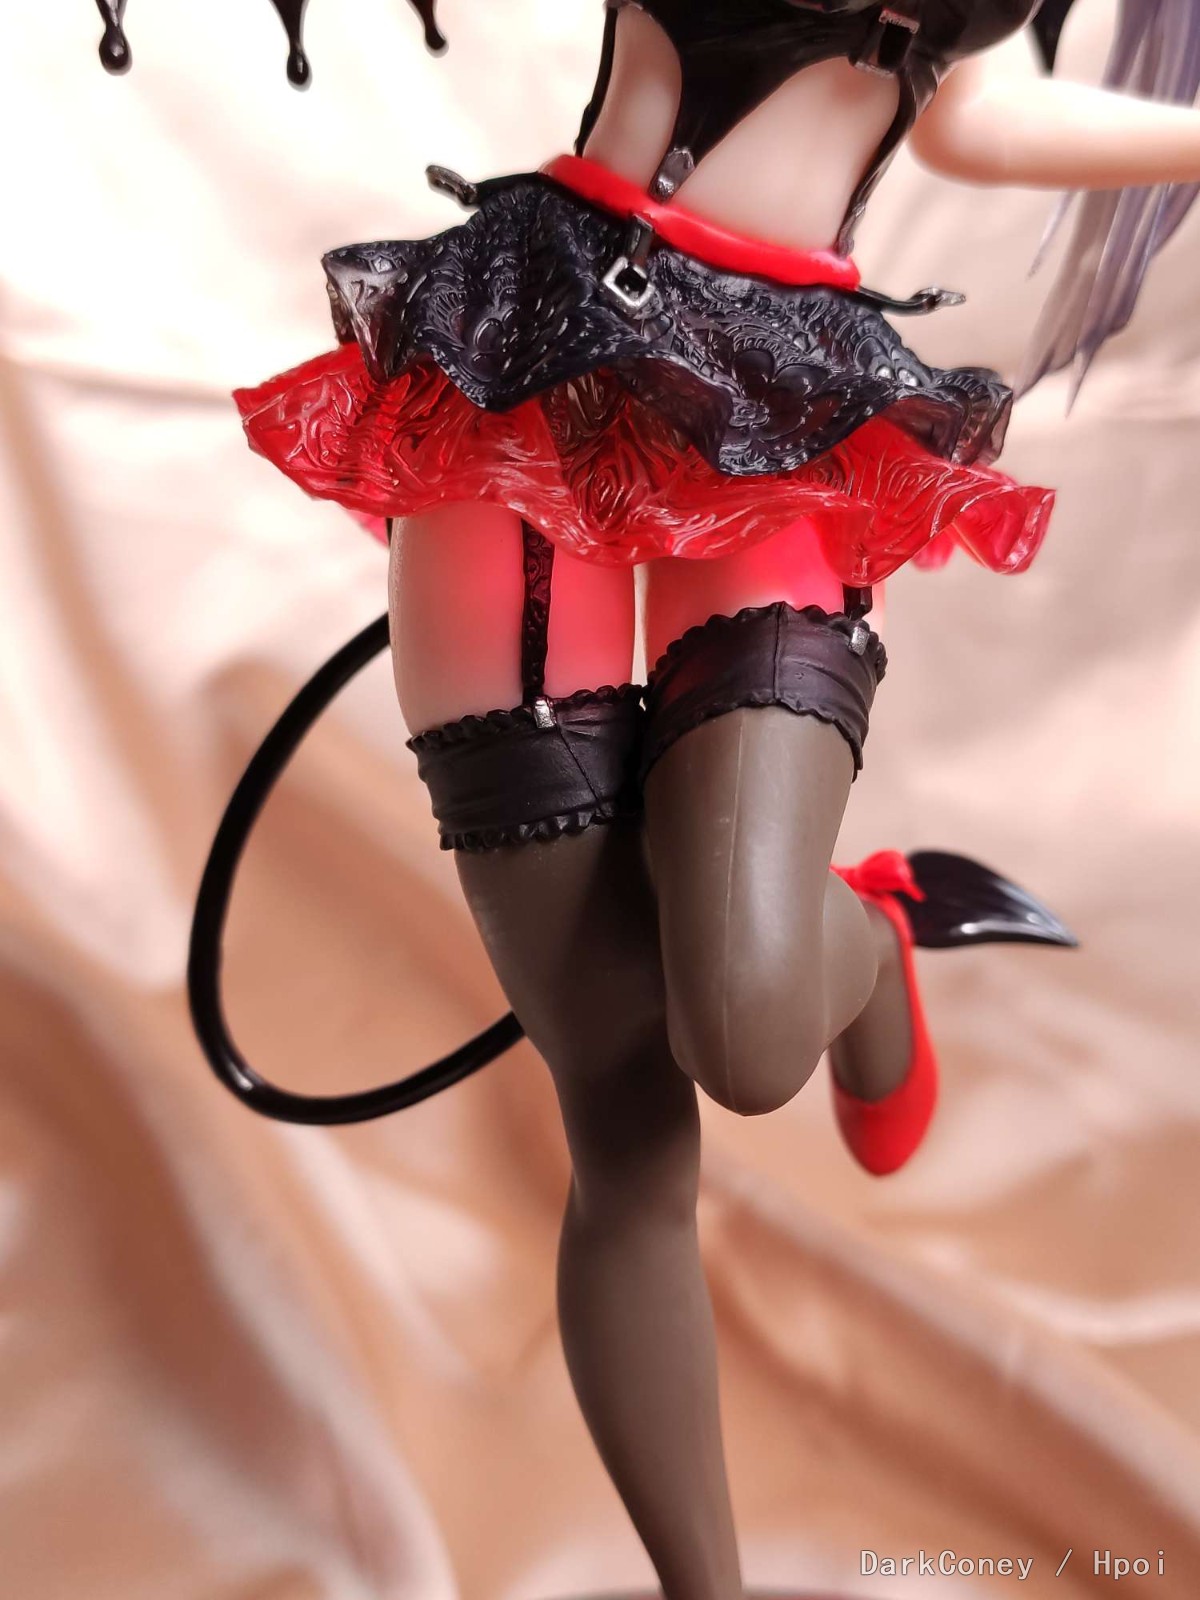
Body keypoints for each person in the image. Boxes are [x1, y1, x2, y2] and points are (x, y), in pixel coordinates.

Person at [182, 2, 1200, 1595]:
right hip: (534, 363)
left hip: (783, 404)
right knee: (627, 1121)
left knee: (745, 1028)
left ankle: (869, 940)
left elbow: (977, 116)